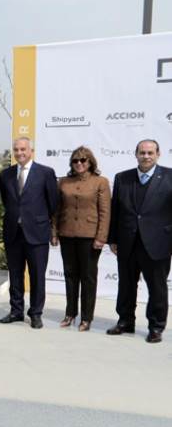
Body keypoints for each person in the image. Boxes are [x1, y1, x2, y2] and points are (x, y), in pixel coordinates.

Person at [107, 139, 171, 343]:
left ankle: (156, 327)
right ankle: (125, 321)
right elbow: (116, 211)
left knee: (157, 288)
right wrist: (113, 239)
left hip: (158, 243)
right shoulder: (122, 178)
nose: (146, 156)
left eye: (150, 153)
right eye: (142, 152)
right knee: (126, 286)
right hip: (127, 242)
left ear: (158, 154)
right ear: (136, 154)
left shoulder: (169, 177)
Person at [0, 137, 58, 329]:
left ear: (31, 150)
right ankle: (16, 311)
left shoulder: (45, 173)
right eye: (16, 149)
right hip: (13, 233)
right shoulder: (5, 174)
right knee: (15, 275)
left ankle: (35, 313)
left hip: (37, 233)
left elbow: (53, 203)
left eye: (23, 149)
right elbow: (7, 201)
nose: (19, 153)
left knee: (37, 276)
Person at [51, 146, 110, 332]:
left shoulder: (100, 182)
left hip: (90, 237)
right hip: (67, 234)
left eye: (83, 160)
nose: (79, 163)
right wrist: (54, 232)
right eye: (75, 160)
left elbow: (105, 212)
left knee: (88, 277)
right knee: (70, 275)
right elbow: (56, 210)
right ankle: (70, 313)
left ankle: (86, 317)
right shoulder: (63, 182)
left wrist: (101, 237)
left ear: (90, 162)